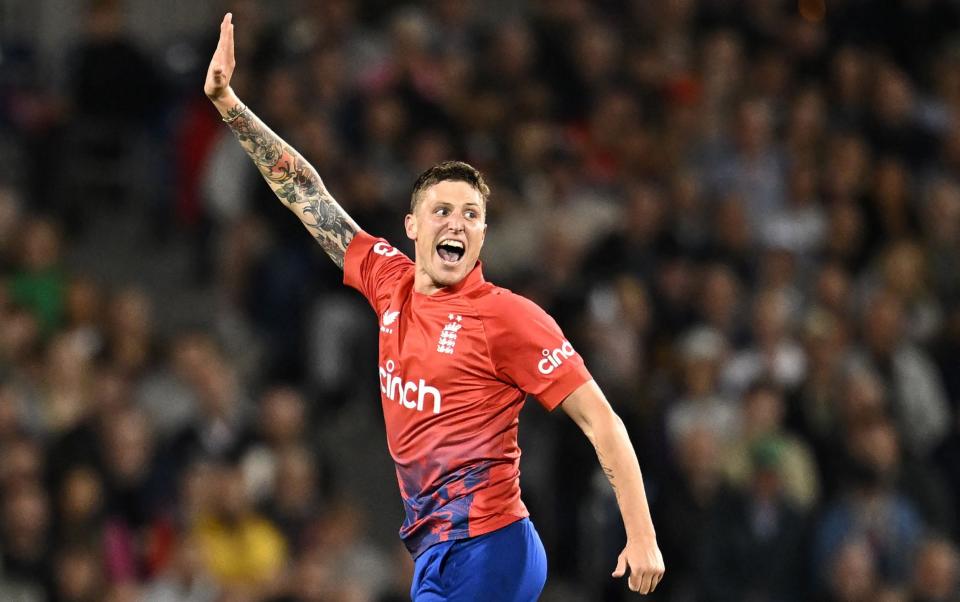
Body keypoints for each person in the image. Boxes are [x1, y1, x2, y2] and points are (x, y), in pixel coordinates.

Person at [203, 13, 664, 600]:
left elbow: (601, 420)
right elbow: (306, 192)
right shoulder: (386, 279)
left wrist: (641, 534)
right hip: (431, 553)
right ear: (412, 227)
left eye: (471, 214)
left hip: (494, 544)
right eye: (442, 210)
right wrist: (228, 105)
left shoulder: (507, 318)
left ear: (483, 234)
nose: (457, 222)